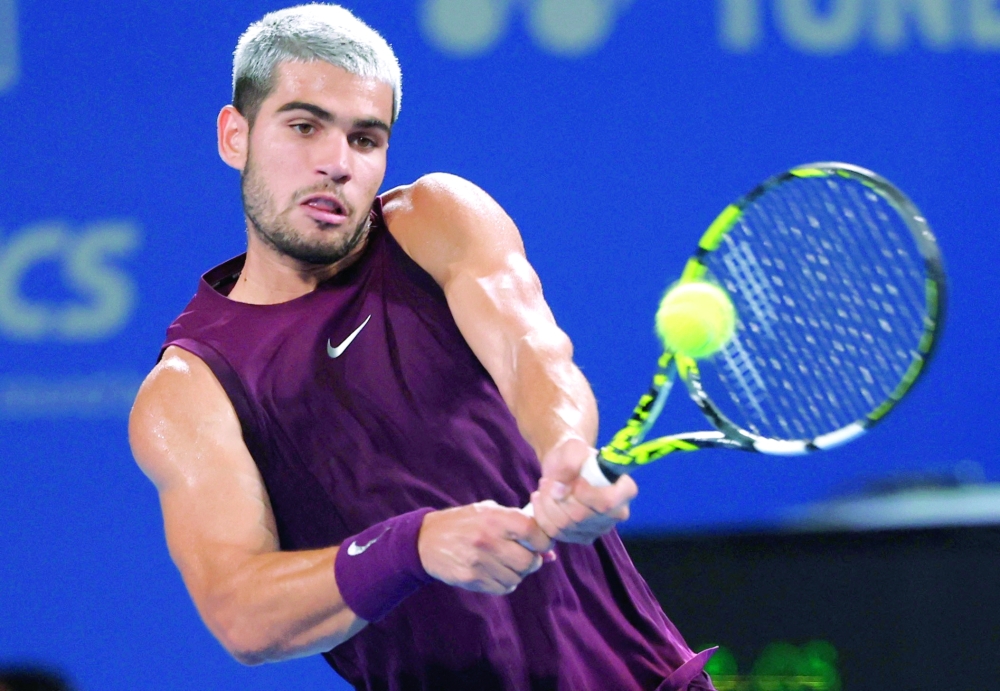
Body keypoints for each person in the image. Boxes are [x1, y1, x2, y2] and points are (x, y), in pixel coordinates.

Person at [128, 4, 716, 690]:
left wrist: (565, 448)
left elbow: (534, 356)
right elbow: (244, 615)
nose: (336, 164)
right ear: (236, 136)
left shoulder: (435, 222)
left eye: (364, 139)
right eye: (304, 126)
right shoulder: (191, 388)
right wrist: (414, 545)